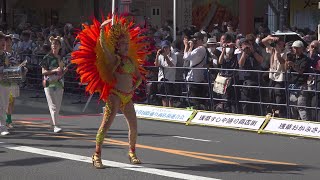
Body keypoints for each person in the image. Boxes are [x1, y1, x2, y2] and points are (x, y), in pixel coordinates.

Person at [71, 15, 151, 169]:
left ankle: (132, 152)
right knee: (106, 126)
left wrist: (135, 87)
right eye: (123, 44)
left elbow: (139, 77)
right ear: (117, 47)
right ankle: (96, 154)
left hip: (127, 97)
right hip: (114, 95)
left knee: (134, 126)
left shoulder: (131, 61)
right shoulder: (114, 59)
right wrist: (102, 30)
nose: (126, 46)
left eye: (127, 44)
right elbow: (103, 47)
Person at [39, 36, 68, 133]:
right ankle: (56, 126)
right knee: (53, 106)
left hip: (59, 83)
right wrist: (54, 70)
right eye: (53, 44)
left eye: (56, 44)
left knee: (57, 106)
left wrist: (64, 71)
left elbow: (61, 73)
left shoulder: (61, 58)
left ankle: (52, 124)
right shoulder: (47, 57)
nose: (54, 46)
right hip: (49, 83)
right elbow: (43, 72)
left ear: (60, 46)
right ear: (51, 46)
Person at [4, 34, 21, 128]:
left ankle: (9, 120)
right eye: (6, 42)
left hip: (13, 79)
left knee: (11, 101)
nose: (8, 44)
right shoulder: (2, 54)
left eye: (9, 42)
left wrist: (21, 68)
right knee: (4, 101)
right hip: (4, 80)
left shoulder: (15, 53)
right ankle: (4, 120)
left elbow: (18, 64)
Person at [155, 40, 177, 107]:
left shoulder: (173, 55)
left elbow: (171, 64)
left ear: (169, 47)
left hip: (170, 78)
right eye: (163, 48)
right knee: (163, 97)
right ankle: (165, 109)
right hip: (161, 78)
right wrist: (157, 55)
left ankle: (171, 109)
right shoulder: (160, 56)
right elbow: (156, 64)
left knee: (170, 97)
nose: (165, 49)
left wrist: (166, 56)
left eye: (166, 47)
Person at [0, 32, 10, 135]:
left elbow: (14, 66)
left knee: (5, 105)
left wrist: (22, 69)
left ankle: (3, 125)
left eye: (3, 40)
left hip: (6, 83)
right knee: (1, 105)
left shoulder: (8, 55)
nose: (3, 42)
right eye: (0, 40)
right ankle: (2, 127)